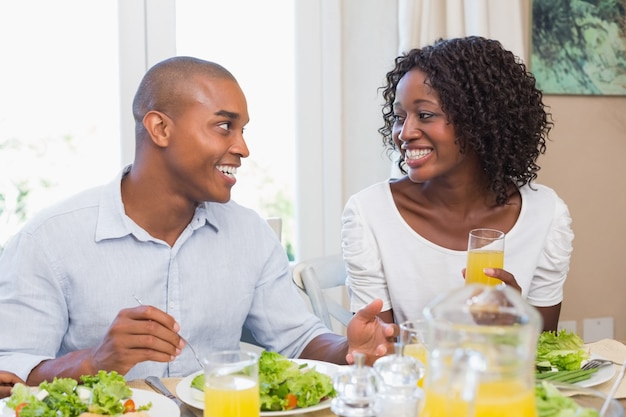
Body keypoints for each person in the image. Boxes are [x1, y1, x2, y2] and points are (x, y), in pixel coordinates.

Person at [0, 56, 396, 386]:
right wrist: (94, 362)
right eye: (225, 126)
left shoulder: (249, 234)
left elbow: (299, 340)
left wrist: (349, 350)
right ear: (160, 128)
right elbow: (9, 376)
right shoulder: (48, 240)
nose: (242, 148)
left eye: (242, 131)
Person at [341, 36, 573, 332]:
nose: (405, 132)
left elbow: (542, 352)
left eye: (425, 115)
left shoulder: (546, 214)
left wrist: (518, 320)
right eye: (400, 117)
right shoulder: (369, 213)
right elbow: (379, 352)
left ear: (480, 120)